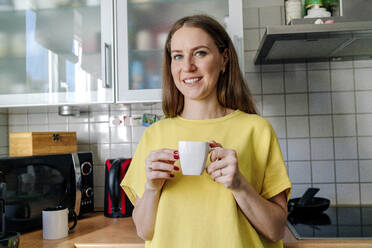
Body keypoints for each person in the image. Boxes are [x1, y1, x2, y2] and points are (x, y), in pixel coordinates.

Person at [121, 14, 292, 248]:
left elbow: (276, 230)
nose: (188, 66)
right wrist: (152, 188)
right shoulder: (155, 135)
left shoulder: (257, 130)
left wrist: (239, 185)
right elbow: (144, 230)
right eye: (178, 56)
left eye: (200, 53)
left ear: (224, 59)